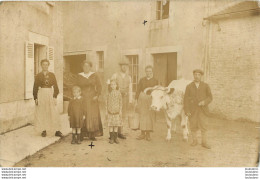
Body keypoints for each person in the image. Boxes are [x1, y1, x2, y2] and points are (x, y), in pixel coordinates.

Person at [33, 59, 63, 137]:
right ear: (41, 65)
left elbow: (56, 86)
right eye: (43, 64)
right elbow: (35, 87)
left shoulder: (52, 75)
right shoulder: (38, 75)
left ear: (48, 65)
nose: (45, 66)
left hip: (50, 93)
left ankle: (57, 130)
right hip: (41, 94)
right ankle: (44, 130)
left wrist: (55, 96)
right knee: (42, 112)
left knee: (54, 112)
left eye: (46, 64)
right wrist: (35, 98)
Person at [184, 69, 213, 149]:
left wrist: (204, 102)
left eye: (198, 75)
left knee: (204, 126)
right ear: (193, 75)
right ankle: (194, 141)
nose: (197, 76)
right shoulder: (189, 86)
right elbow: (185, 99)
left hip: (203, 110)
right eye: (195, 74)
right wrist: (187, 111)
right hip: (192, 110)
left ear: (201, 76)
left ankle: (204, 142)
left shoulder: (206, 86)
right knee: (193, 125)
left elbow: (210, 97)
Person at [77, 60, 103, 141]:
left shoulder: (94, 75)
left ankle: (92, 134)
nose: (86, 67)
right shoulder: (79, 76)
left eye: (88, 66)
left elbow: (99, 86)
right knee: (82, 115)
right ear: (82, 67)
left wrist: (97, 95)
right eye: (84, 66)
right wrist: (77, 95)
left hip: (92, 98)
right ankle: (81, 134)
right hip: (82, 97)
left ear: (90, 67)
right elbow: (76, 86)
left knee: (92, 115)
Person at [111, 58, 133, 139]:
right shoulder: (115, 75)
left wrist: (130, 100)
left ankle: (121, 132)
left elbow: (130, 89)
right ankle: (114, 132)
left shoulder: (129, 77)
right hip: (116, 98)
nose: (124, 68)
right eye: (123, 66)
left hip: (125, 98)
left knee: (123, 115)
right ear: (120, 67)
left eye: (126, 66)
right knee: (116, 114)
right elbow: (110, 86)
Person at [135, 65, 158, 141]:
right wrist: (136, 100)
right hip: (142, 99)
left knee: (149, 117)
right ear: (145, 72)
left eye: (150, 71)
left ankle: (148, 134)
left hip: (151, 100)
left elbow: (156, 92)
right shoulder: (142, 80)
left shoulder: (155, 81)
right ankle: (142, 133)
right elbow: (138, 90)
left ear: (152, 72)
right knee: (142, 116)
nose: (148, 73)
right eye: (147, 71)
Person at [106, 79, 123, 144]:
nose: (113, 86)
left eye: (114, 84)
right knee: (111, 125)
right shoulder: (108, 93)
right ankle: (111, 138)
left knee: (116, 125)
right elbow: (106, 102)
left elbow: (121, 102)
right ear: (110, 86)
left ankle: (116, 138)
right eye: (111, 84)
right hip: (110, 112)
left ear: (116, 85)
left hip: (117, 112)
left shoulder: (119, 93)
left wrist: (120, 110)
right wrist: (106, 111)